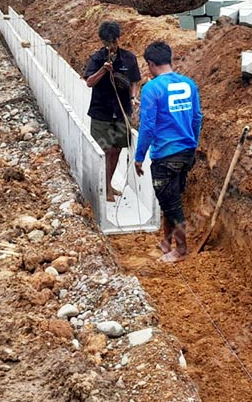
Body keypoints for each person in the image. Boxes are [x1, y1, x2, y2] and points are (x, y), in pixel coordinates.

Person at [134, 41, 202, 263]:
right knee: (171, 198)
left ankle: (181, 250)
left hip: (165, 155)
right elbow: (197, 118)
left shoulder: (151, 89)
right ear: (170, 59)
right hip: (186, 152)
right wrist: (192, 143)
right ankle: (166, 241)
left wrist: (139, 157)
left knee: (171, 204)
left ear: (151, 64)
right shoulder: (189, 84)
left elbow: (147, 126)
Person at [84, 21, 141, 203]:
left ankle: (108, 184)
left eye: (113, 42)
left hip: (122, 112)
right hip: (102, 112)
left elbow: (135, 81)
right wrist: (103, 70)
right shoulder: (97, 59)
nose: (111, 46)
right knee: (104, 149)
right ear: (102, 42)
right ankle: (104, 187)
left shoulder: (129, 58)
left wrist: (133, 97)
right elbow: (89, 82)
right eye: (107, 43)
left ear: (118, 39)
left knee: (116, 149)